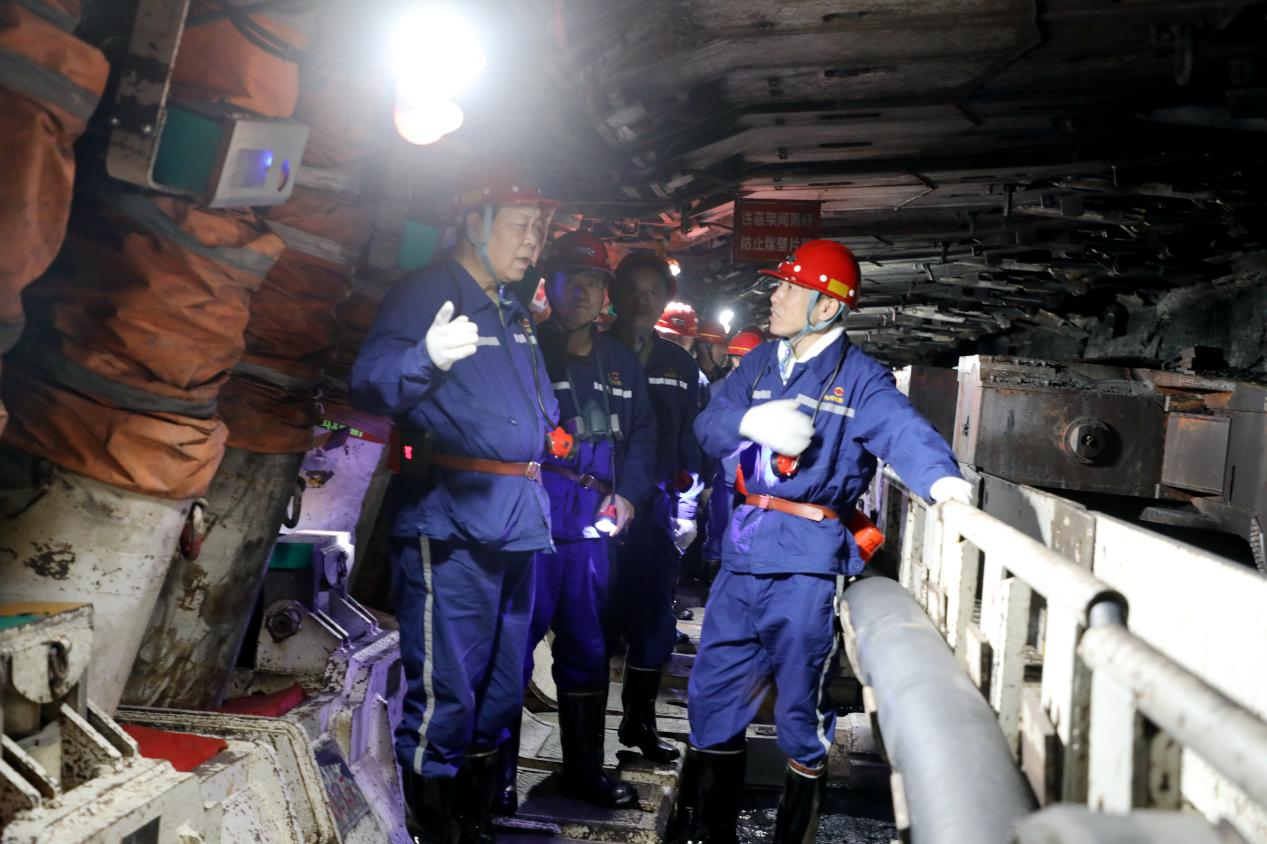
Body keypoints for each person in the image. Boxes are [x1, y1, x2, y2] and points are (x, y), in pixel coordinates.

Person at [675, 240, 972, 844]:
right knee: (712, 695)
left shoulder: (859, 378)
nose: (775, 295)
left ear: (827, 306)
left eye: (790, 286)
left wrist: (943, 484)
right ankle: (710, 832)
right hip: (743, 553)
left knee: (799, 710)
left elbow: (901, 430)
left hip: (807, 563)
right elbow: (708, 425)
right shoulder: (761, 364)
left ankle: (793, 835)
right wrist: (747, 421)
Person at [350, 170, 559, 844]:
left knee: (500, 687)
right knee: (447, 688)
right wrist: (424, 356)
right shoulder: (428, 292)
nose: (533, 242)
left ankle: (474, 817)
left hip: (517, 518)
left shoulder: (512, 309)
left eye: (540, 229)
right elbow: (370, 380)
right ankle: (431, 826)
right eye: (521, 226)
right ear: (475, 222)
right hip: (453, 521)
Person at [496, 232, 656, 811]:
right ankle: (496, 777)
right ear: (551, 286)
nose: (581, 293)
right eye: (571, 281)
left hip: (591, 531)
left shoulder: (620, 362)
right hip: (533, 525)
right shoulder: (526, 348)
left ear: (604, 293)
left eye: (592, 283)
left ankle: (585, 771)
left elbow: (643, 434)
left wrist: (630, 495)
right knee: (512, 649)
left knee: (588, 648)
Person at [606, 253, 704, 763]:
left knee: (652, 619)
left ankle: (639, 723)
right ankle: (588, 744)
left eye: (652, 292)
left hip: (655, 510)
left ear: (664, 300)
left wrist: (689, 500)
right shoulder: (592, 349)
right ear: (615, 295)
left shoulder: (680, 365)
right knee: (593, 620)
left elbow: (691, 435)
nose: (642, 301)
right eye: (633, 290)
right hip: (596, 504)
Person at [698, 327, 764, 580]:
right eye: (740, 359)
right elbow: (706, 436)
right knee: (719, 527)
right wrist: (705, 479)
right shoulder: (716, 391)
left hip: (756, 480)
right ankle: (713, 575)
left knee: (748, 532)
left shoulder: (767, 392)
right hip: (724, 476)